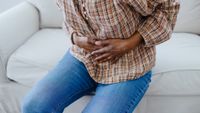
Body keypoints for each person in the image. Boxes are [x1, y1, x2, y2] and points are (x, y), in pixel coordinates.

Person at [21, 0, 180, 113]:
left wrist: (129, 43)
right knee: (34, 106)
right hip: (83, 58)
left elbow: (167, 8)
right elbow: (66, 15)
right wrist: (76, 38)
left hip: (130, 65)